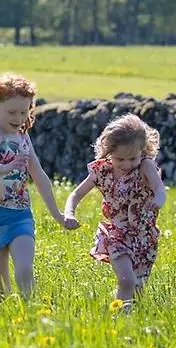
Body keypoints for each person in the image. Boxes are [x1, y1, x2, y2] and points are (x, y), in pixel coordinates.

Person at [0, 74, 76, 301]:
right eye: (12, 112)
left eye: (24, 112)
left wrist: (58, 215)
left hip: (20, 215)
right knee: (0, 289)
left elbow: (39, 175)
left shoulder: (23, 136)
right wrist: (7, 167)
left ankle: (33, 316)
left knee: (24, 271)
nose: (19, 118)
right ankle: (0, 324)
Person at [64, 114, 166, 310]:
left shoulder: (145, 166)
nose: (127, 164)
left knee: (137, 287)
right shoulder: (102, 170)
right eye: (120, 159)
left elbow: (160, 188)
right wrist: (69, 213)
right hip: (117, 233)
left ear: (143, 151)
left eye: (132, 158)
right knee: (126, 280)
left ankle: (126, 316)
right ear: (108, 152)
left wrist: (158, 200)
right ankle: (120, 318)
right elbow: (76, 194)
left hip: (145, 236)